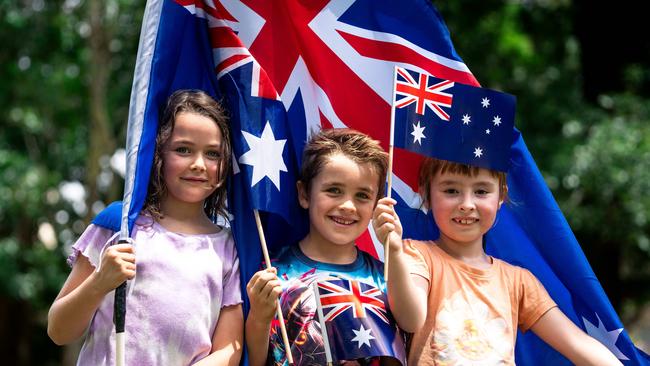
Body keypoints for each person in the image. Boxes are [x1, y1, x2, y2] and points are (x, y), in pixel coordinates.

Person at [47, 90, 243, 366]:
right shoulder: (119, 224)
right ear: (157, 153)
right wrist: (100, 281)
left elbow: (230, 349)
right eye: (183, 149)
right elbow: (58, 330)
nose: (199, 164)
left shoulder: (229, 248)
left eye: (212, 154)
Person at [373, 156, 623, 365]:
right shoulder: (415, 255)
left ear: (501, 196)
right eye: (451, 190)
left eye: (481, 191)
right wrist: (394, 251)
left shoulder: (518, 281)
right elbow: (410, 318)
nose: (467, 204)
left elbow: (577, 343)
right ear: (426, 194)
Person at [245, 128, 421, 366]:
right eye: (334, 191)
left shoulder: (386, 275)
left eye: (362, 196)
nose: (348, 205)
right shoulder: (271, 271)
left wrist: (395, 250)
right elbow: (256, 360)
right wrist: (258, 317)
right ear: (304, 194)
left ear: (376, 206)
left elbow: (412, 322)